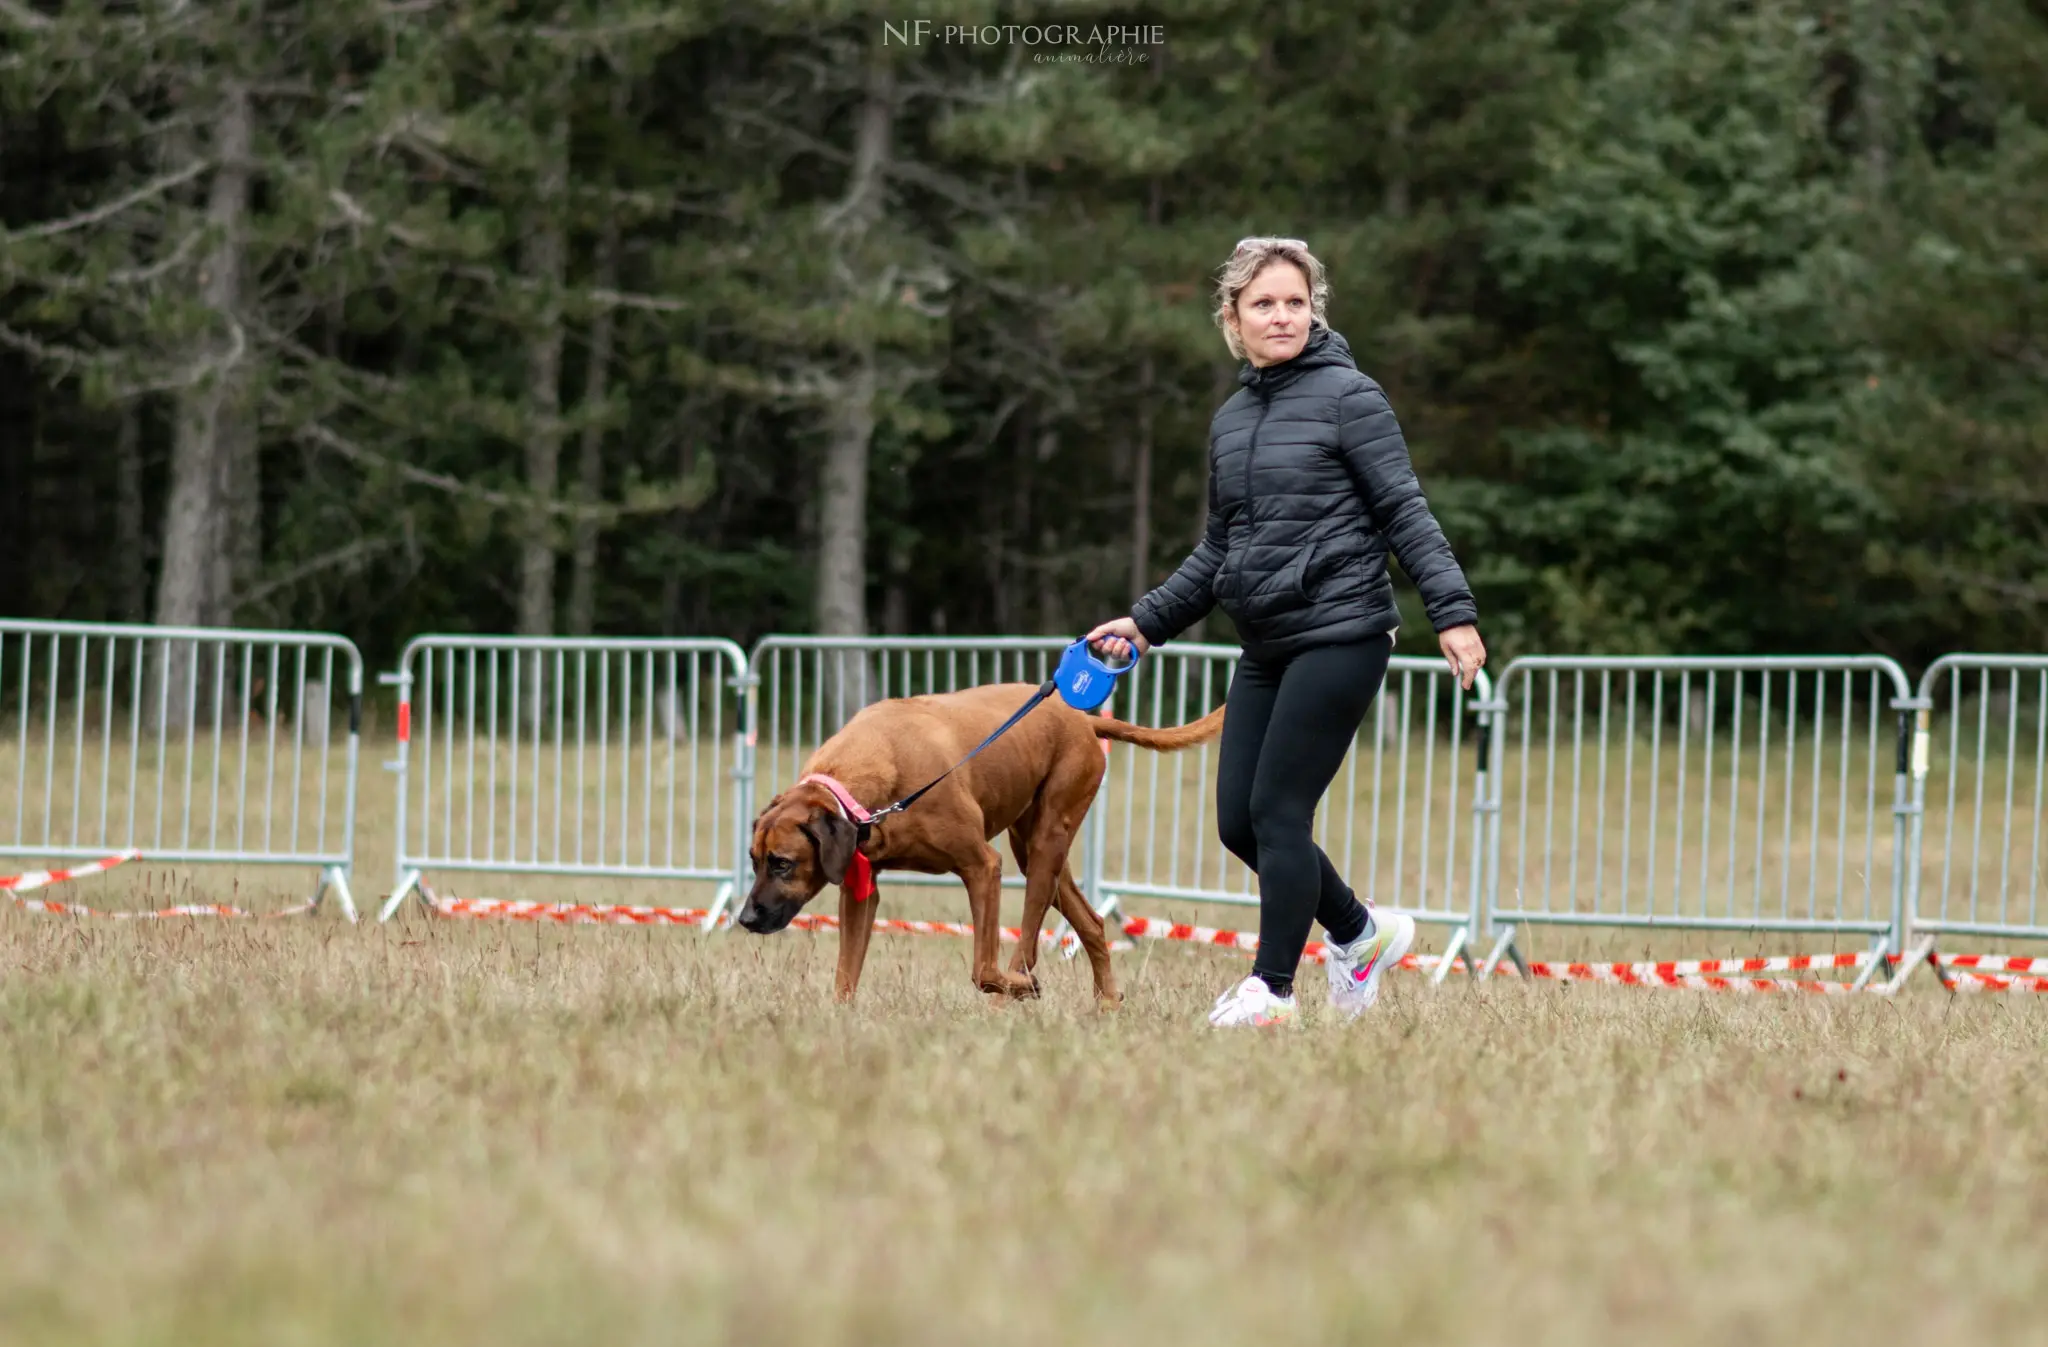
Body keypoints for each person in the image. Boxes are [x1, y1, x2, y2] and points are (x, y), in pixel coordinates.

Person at [1086, 236, 1486, 1028]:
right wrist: (1147, 621)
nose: (1282, 315)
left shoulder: (1352, 397)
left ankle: (1271, 991)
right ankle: (1359, 932)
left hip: (1343, 631)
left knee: (1277, 812)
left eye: (1295, 302)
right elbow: (1219, 549)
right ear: (1232, 318)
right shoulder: (1232, 418)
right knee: (1240, 821)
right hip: (1265, 643)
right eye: (1264, 303)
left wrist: (1454, 612)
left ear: (1315, 310)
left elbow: (1404, 509)